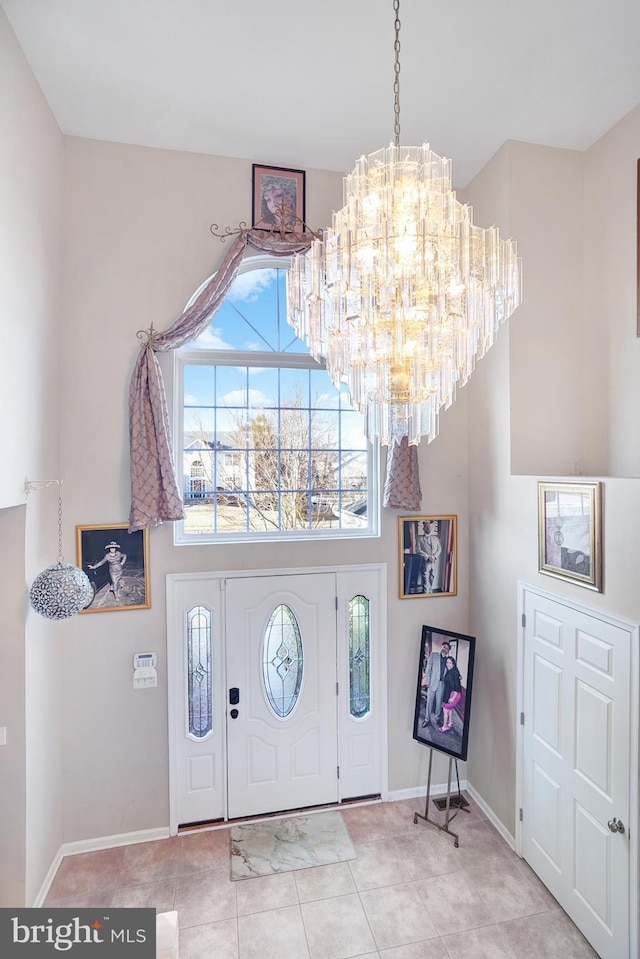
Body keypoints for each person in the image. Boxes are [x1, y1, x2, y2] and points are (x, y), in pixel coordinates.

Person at [422, 640, 451, 728]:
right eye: (444, 647)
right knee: (429, 702)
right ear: (441, 647)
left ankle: (437, 718)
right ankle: (427, 719)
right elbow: (428, 669)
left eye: (447, 648)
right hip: (432, 683)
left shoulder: (448, 660)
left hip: (442, 685)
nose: (445, 649)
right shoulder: (434, 655)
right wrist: (427, 681)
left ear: (448, 651)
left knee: (439, 703)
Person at [416, 519, 442, 593]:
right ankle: (425, 593)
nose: (428, 528)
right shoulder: (420, 539)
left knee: (432, 576)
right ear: (423, 528)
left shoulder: (435, 538)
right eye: (426, 527)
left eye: (429, 527)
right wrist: (428, 557)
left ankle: (430, 592)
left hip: (434, 561)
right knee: (425, 577)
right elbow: (418, 550)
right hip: (426, 562)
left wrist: (434, 556)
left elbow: (439, 548)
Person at [439, 655, 462, 732]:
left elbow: (457, 687)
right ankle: (450, 723)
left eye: (450, 663)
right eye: (447, 663)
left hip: (454, 694)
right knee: (450, 709)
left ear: (453, 664)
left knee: (445, 709)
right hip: (451, 693)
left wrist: (452, 698)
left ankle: (445, 726)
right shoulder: (451, 671)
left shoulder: (454, 673)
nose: (448, 664)